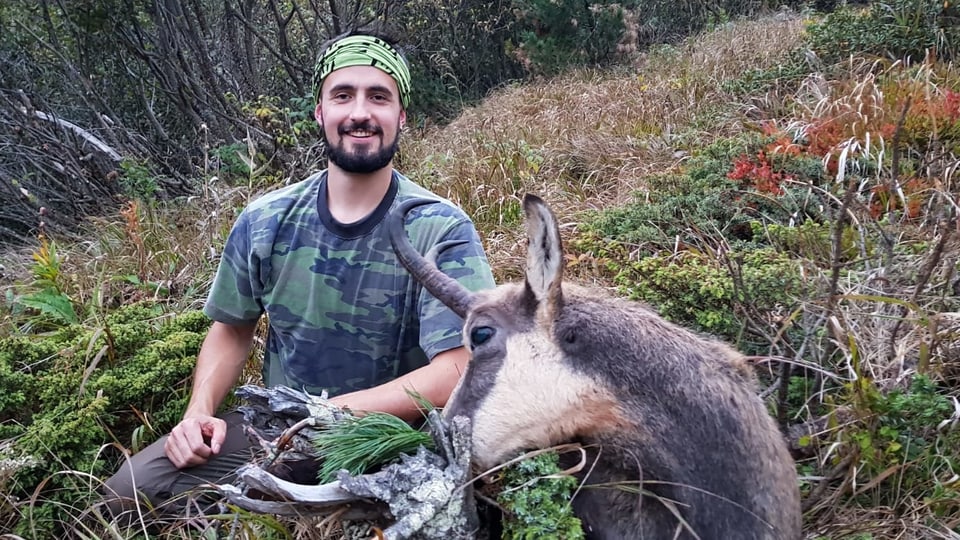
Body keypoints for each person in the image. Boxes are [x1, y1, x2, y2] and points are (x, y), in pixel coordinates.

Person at [103, 33, 495, 517]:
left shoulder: (440, 228)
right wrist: (198, 413)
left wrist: (331, 416)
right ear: (319, 112)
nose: (360, 113)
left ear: (401, 116)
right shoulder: (266, 219)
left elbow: (459, 366)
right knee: (129, 494)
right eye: (342, 95)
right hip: (278, 428)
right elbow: (231, 326)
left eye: (379, 96)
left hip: (395, 439)